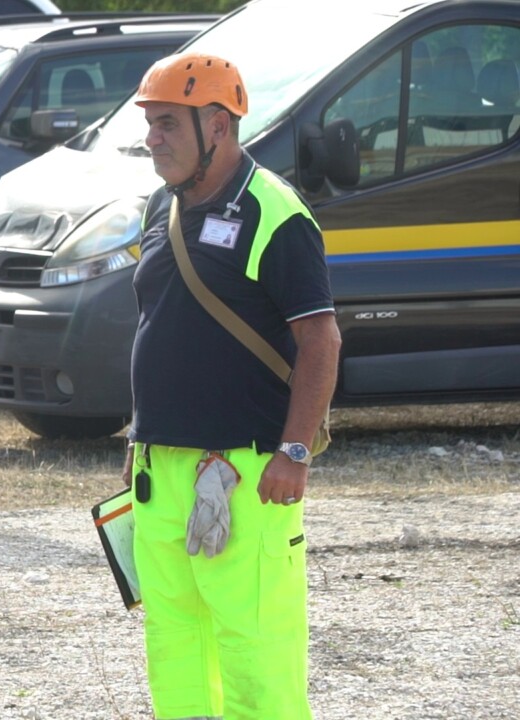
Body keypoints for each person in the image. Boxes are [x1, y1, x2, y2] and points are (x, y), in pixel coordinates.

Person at [123, 52, 341, 720]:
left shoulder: (276, 214)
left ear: (216, 125)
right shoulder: (165, 206)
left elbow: (321, 341)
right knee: (176, 645)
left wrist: (295, 452)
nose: (151, 138)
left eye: (166, 124)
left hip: (244, 473)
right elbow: (160, 324)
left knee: (256, 656)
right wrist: (139, 439)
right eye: (150, 124)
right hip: (161, 475)